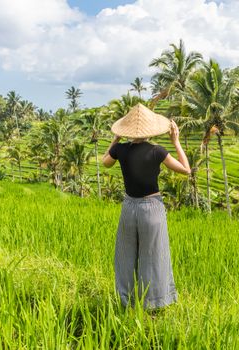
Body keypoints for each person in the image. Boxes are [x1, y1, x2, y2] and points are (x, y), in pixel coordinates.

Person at [101, 104, 190, 310]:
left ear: (125, 130)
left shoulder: (120, 149)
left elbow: (105, 162)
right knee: (154, 256)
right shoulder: (157, 151)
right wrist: (176, 142)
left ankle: (126, 302)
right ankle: (153, 304)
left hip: (129, 207)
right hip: (152, 208)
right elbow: (186, 170)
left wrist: (115, 139)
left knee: (125, 256)